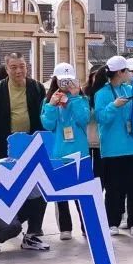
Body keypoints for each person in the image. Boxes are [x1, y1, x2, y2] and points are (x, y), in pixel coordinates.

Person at [0, 52, 47, 238]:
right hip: (8, 149)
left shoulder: (36, 87)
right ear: (6, 69)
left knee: (38, 186)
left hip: (33, 146)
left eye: (22, 66)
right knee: (10, 189)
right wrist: (1, 148)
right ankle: (3, 225)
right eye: (14, 67)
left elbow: (43, 116)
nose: (19, 71)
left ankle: (34, 229)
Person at [93, 55, 133, 236]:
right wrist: (113, 106)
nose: (130, 74)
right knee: (114, 188)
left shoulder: (131, 89)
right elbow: (101, 118)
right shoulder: (102, 93)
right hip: (113, 149)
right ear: (119, 73)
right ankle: (112, 222)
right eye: (127, 71)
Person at [40, 63, 90, 244]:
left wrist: (75, 98)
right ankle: (65, 228)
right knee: (61, 193)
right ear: (55, 80)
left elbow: (84, 119)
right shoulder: (49, 101)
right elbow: (47, 124)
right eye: (62, 80)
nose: (65, 83)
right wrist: (52, 105)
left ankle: (86, 226)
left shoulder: (81, 99)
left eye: (69, 80)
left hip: (80, 152)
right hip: (59, 153)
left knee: (82, 192)